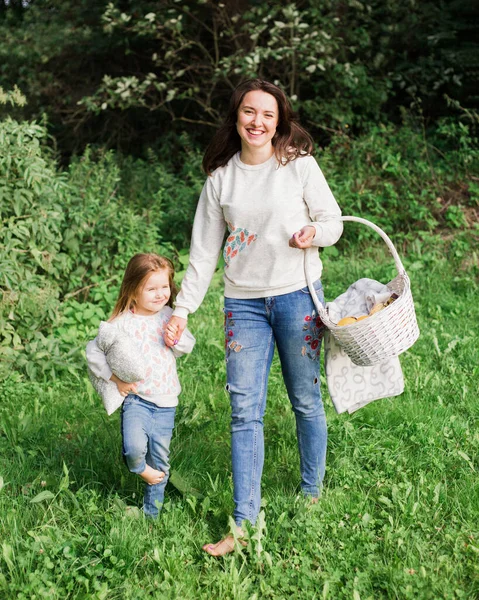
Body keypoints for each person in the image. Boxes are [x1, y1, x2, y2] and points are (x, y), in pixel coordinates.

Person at [165, 79, 343, 555]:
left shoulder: (299, 166)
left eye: (267, 114)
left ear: (279, 121)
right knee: (245, 413)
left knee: (305, 399)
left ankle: (311, 493)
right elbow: (203, 255)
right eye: (249, 112)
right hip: (242, 305)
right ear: (236, 117)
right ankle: (242, 524)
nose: (257, 121)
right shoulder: (220, 180)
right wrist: (181, 310)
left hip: (297, 298)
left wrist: (314, 234)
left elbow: (334, 221)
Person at [86, 253, 195, 518]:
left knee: (160, 458)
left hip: (166, 400)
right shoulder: (121, 323)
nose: (160, 294)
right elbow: (92, 352)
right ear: (133, 290)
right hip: (137, 400)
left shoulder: (170, 316)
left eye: (164, 287)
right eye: (152, 288)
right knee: (134, 449)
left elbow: (187, 345)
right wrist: (116, 380)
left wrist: (175, 339)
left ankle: (151, 515)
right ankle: (140, 470)